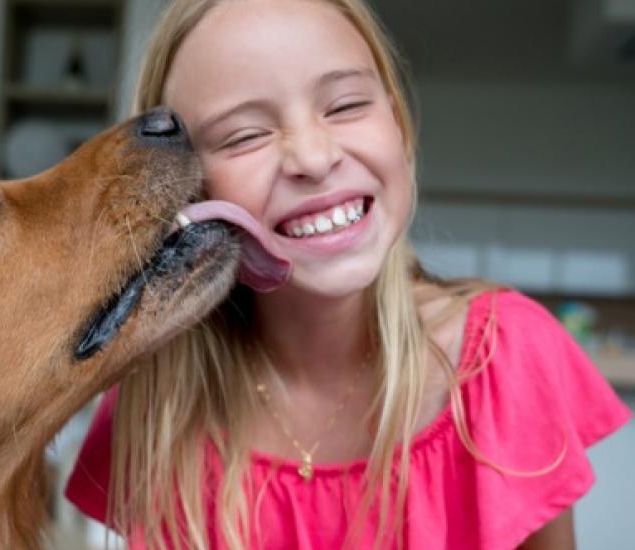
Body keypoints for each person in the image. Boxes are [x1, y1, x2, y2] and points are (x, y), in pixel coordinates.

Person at [64, 0, 632, 548]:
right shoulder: (158, 396)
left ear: (401, 130)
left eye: (345, 106)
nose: (313, 157)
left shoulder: (505, 359)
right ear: (189, 191)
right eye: (244, 136)